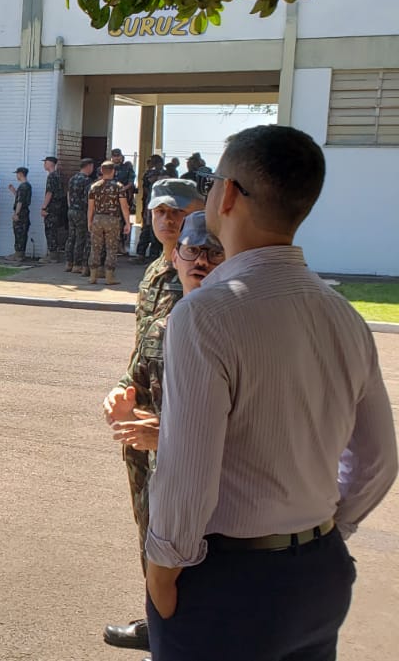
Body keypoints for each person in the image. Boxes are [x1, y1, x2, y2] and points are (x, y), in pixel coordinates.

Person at [145, 124, 397, 661]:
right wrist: (329, 529)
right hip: (320, 572)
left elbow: (188, 470)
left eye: (213, 182)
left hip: (230, 580)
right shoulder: (343, 314)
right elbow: (378, 459)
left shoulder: (206, 313)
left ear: (229, 194)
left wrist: (163, 570)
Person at [96, 178, 202, 653]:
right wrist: (123, 387)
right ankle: (159, 623)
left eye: (179, 211)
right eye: (159, 210)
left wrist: (174, 427)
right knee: (149, 530)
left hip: (185, 434)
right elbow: (145, 349)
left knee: (182, 541)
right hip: (142, 427)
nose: (167, 219)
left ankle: (184, 631)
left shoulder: (206, 272)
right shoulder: (158, 270)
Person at [86, 161, 131, 285]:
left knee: (95, 247)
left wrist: (89, 221)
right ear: (113, 171)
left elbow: (91, 207)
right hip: (112, 219)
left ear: (101, 171)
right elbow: (124, 206)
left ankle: (93, 276)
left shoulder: (94, 186)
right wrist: (128, 223)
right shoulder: (119, 186)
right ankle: (109, 277)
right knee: (111, 248)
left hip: (97, 219)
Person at [66, 158, 94, 274]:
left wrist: (70, 206)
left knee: (71, 237)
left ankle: (69, 263)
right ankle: (78, 265)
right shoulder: (87, 181)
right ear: (88, 166)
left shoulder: (72, 178)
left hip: (71, 210)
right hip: (82, 212)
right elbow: (89, 198)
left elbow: (68, 193)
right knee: (81, 238)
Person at [135, 154, 165, 260]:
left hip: (155, 209)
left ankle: (153, 256)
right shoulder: (154, 183)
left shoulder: (159, 183)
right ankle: (142, 254)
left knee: (154, 234)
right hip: (149, 208)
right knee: (146, 232)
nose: (149, 179)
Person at [40, 156, 67, 263]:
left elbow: (49, 192)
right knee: (55, 230)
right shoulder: (59, 175)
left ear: (50, 163)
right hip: (59, 207)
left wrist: (44, 207)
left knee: (50, 230)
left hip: (52, 207)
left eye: (45, 162)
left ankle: (52, 255)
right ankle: (55, 253)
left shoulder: (52, 176)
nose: (44, 165)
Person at [6, 166, 31, 261]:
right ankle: (20, 253)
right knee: (22, 233)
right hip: (24, 212)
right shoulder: (27, 185)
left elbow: (20, 201)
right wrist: (14, 191)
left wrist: (16, 213)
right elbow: (20, 197)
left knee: (19, 233)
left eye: (17, 174)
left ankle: (18, 254)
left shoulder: (23, 186)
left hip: (21, 213)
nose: (16, 176)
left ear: (20, 174)